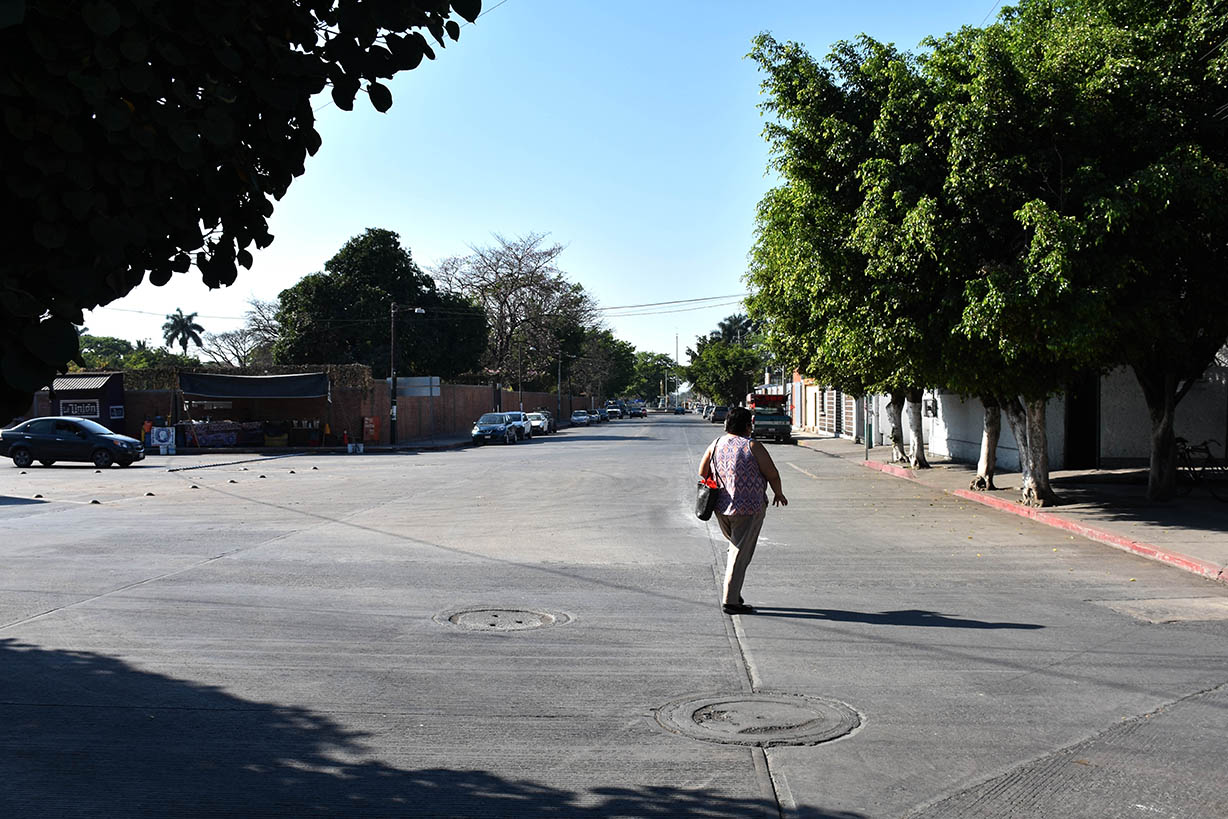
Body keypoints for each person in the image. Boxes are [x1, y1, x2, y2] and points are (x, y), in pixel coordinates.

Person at [698, 406, 788, 615]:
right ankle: (730, 600)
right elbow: (772, 473)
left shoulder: (716, 443)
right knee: (740, 553)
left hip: (721, 508)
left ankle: (735, 593)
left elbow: (703, 471)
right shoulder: (752, 446)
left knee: (737, 549)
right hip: (749, 509)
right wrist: (779, 493)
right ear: (748, 425)